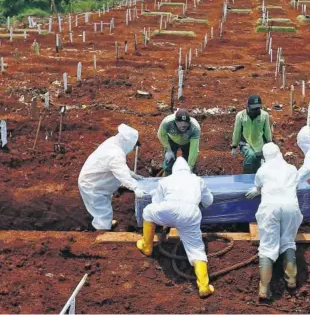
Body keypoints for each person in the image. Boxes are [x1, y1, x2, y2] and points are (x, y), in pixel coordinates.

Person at [137, 157, 214, 298]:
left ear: (173, 170)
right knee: (196, 249)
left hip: (168, 210)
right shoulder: (197, 180)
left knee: (148, 211)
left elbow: (156, 202)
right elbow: (208, 202)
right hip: (190, 214)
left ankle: (147, 246)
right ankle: (203, 286)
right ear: (188, 170)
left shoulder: (165, 180)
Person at [245, 143, 303, 299]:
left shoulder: (262, 170)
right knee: (288, 242)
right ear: (280, 153)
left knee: (268, 247)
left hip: (270, 208)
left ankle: (264, 289)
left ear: (265, 157)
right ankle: (291, 280)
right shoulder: (291, 169)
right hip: (291, 207)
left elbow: (258, 186)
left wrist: (257, 190)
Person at [78, 124, 144, 230]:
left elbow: (118, 168)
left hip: (97, 182)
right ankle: (102, 233)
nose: (132, 149)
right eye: (133, 146)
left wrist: (132, 174)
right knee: (102, 212)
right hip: (93, 185)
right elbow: (121, 173)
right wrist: (135, 187)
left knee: (103, 208)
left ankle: (105, 225)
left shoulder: (113, 142)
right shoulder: (115, 153)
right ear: (127, 142)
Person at [231, 95, 272, 174]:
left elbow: (267, 131)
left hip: (259, 145)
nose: (256, 110)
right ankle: (246, 177)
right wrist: (234, 146)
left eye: (258, 108)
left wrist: (270, 144)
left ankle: (255, 181)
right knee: (251, 155)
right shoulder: (241, 116)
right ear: (248, 107)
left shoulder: (264, 116)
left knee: (257, 164)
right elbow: (237, 132)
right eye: (254, 108)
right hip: (245, 143)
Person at [157, 109, 201, 175]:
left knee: (189, 166)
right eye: (180, 123)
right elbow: (161, 135)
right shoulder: (167, 122)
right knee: (169, 161)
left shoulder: (195, 127)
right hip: (171, 140)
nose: (183, 125)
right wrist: (168, 149)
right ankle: (166, 178)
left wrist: (190, 167)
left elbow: (194, 150)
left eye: (186, 123)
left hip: (187, 142)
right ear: (175, 121)